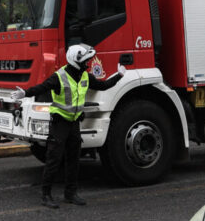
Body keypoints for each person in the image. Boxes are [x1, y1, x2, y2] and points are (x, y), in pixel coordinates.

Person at [11, 44, 125, 208]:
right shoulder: (60, 76)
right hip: (60, 123)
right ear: (76, 61)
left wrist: (119, 75)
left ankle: (70, 194)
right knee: (54, 159)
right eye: (86, 61)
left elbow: (103, 85)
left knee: (74, 159)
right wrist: (25, 93)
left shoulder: (85, 76)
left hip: (74, 123)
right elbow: (42, 87)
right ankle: (46, 195)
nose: (88, 64)